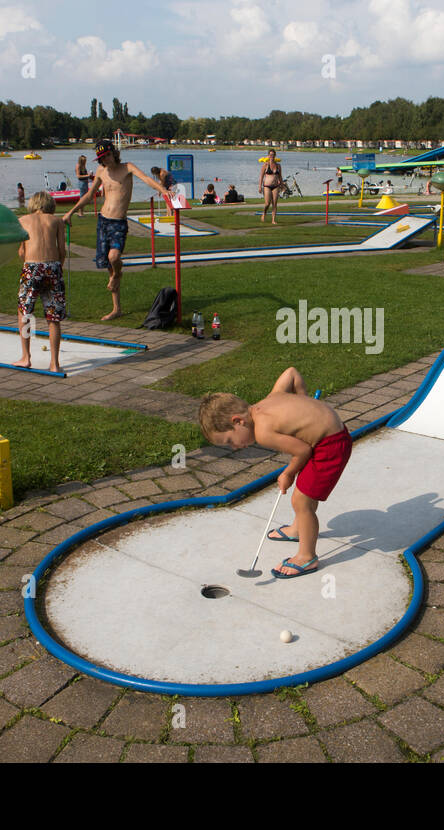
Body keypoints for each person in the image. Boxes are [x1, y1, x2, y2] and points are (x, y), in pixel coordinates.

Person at [199, 367, 352, 579]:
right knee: (305, 489)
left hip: (331, 446)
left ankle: (307, 557)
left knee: (301, 501)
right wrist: (304, 401)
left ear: (238, 421)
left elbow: (303, 450)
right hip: (330, 433)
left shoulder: (263, 432)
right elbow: (291, 373)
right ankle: (298, 529)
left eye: (230, 441)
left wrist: (288, 473)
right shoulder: (271, 398)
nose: (234, 447)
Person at [64, 138, 169, 321]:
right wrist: (71, 212)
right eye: (101, 159)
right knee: (109, 268)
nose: (105, 161)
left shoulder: (127, 167)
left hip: (119, 222)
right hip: (103, 221)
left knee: (114, 258)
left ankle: (118, 274)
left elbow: (145, 178)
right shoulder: (101, 171)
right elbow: (90, 194)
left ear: (114, 153)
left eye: (106, 157)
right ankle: (116, 308)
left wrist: (164, 190)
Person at [14, 192, 67, 373]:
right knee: (53, 317)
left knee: (25, 312)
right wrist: (56, 267)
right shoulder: (57, 221)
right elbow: (62, 250)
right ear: (50, 205)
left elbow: (22, 251)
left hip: (32, 266)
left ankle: (26, 356)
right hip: (53, 267)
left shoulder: (23, 220)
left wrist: (28, 262)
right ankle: (54, 363)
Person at [259, 149, 283, 224]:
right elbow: (261, 177)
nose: (272, 156)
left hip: (276, 186)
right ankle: (264, 213)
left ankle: (273, 220)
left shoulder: (278, 166)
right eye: (270, 155)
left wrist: (282, 185)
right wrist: (260, 186)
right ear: (268, 156)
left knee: (274, 203)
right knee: (267, 203)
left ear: (275, 156)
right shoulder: (265, 165)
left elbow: (280, 176)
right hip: (267, 186)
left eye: (273, 155)